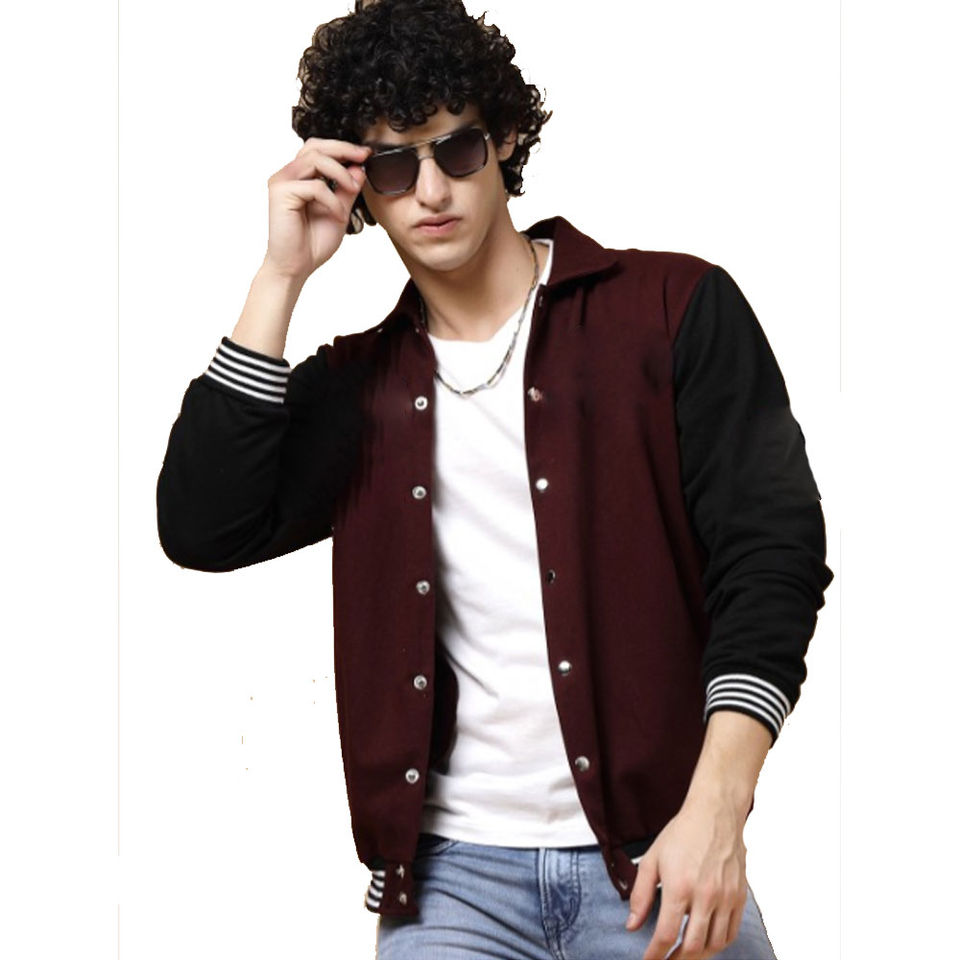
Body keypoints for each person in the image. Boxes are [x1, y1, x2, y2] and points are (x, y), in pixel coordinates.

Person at [156, 1, 834, 957]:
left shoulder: (671, 310)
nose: (430, 190)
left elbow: (772, 560)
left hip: (661, 860)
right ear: (359, 186)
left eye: (457, 149)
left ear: (506, 138)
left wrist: (718, 813)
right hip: (451, 888)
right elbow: (203, 526)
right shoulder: (360, 388)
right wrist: (280, 277)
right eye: (393, 167)